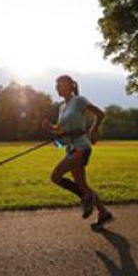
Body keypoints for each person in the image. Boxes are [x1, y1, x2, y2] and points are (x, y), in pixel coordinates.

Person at [42, 75, 114, 228]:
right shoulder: (62, 106)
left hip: (81, 146)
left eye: (61, 84)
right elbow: (60, 128)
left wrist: (93, 130)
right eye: (56, 85)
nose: (57, 88)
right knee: (82, 185)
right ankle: (104, 213)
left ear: (71, 86)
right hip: (70, 148)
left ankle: (85, 198)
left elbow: (100, 114)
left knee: (56, 176)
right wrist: (50, 127)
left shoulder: (79, 100)